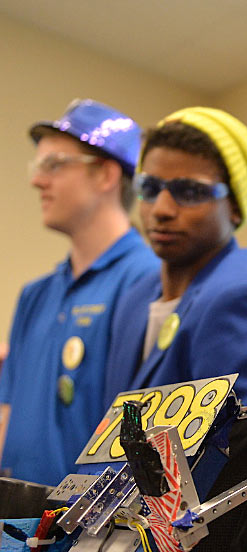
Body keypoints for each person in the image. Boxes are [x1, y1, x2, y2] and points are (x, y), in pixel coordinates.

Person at [104, 107, 247, 414]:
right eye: (149, 188)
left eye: (188, 191)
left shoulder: (246, 297)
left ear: (235, 207)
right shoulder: (136, 296)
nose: (161, 209)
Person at [0, 99, 160, 486]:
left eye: (53, 165)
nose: (37, 181)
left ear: (105, 174)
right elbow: (7, 412)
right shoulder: (34, 295)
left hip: (91, 532)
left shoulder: (151, 282)